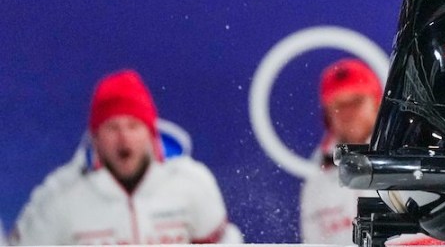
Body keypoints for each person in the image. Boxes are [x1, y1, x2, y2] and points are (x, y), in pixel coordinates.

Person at [10, 70, 244, 245]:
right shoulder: (59, 197)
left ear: (151, 133)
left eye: (133, 126)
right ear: (95, 137)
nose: (124, 139)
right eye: (112, 128)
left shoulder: (191, 183)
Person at [299, 58, 382, 244]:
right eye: (339, 105)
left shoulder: (406, 160)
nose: (348, 112)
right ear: (327, 114)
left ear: (377, 104)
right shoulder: (316, 179)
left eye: (356, 101)